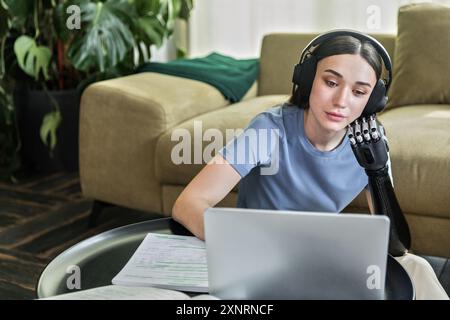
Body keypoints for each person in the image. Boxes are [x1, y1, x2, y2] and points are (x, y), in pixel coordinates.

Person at [172, 30, 448, 300]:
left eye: (359, 92)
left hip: (322, 259)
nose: (341, 101)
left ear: (372, 100)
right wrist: (238, 245)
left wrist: (377, 173)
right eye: (331, 83)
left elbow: (395, 248)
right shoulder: (268, 130)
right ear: (307, 80)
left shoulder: (369, 142)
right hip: (259, 261)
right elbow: (189, 203)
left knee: (418, 268)